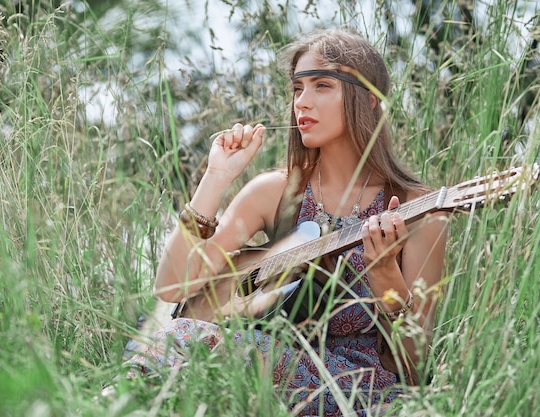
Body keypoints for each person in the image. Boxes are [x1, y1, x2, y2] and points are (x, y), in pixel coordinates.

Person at [123, 27, 448, 416]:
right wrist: (216, 179)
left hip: (359, 391)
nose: (302, 102)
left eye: (322, 85)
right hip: (258, 366)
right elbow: (174, 288)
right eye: (297, 88)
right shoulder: (275, 192)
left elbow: (412, 369)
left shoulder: (420, 209)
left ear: (368, 99)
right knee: (187, 343)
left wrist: (387, 282)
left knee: (189, 341)